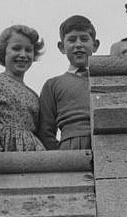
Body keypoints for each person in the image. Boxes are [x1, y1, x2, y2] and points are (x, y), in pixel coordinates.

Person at [38, 15, 100, 150]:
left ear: (95, 45)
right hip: (71, 147)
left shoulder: (104, 80)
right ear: (61, 47)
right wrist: (61, 156)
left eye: (84, 39)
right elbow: (45, 131)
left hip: (107, 144)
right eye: (72, 40)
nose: (78, 44)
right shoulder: (53, 85)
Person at [0, 25, 46, 152]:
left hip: (33, 151)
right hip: (4, 149)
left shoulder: (34, 95)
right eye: (16, 48)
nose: (23, 54)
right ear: (3, 51)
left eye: (28, 50)